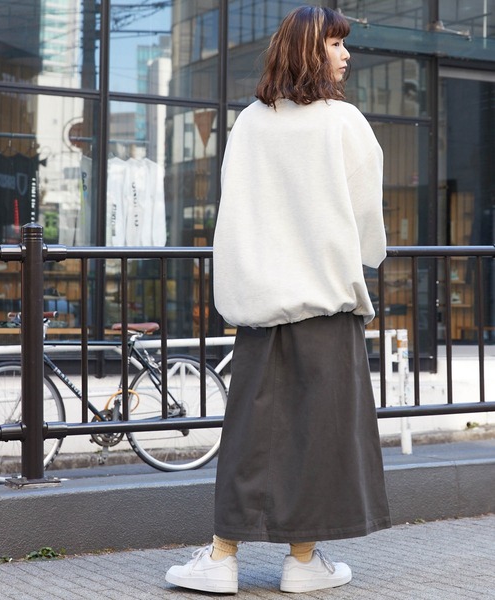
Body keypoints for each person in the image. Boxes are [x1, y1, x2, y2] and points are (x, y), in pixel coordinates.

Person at [165, 5, 391, 594]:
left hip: (261, 307)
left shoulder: (249, 123)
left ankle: (222, 557)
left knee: (251, 434)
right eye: (336, 44)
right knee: (318, 434)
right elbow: (366, 217)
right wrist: (358, 259)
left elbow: (235, 210)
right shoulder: (343, 122)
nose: (346, 54)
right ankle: (302, 561)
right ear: (311, 50)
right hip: (325, 302)